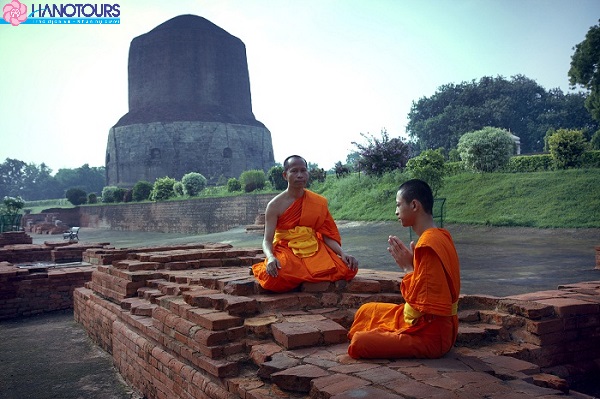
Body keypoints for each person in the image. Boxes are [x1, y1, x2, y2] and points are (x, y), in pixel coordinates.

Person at [347, 179, 460, 359]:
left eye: (399, 205)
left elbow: (423, 303)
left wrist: (408, 268)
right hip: (421, 320)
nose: (396, 211)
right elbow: (430, 287)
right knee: (366, 311)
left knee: (360, 343)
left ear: (414, 205)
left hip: (431, 335)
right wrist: (413, 265)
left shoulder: (429, 244)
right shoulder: (440, 236)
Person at [252, 155, 359, 292]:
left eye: (303, 171)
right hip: (287, 248)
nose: (300, 175)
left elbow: (326, 236)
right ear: (285, 175)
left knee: (347, 270)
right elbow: (267, 240)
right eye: (294, 171)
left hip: (313, 247)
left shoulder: (318, 202)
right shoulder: (274, 205)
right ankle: (301, 274)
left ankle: (301, 277)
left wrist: (342, 253)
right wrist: (271, 257)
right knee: (273, 277)